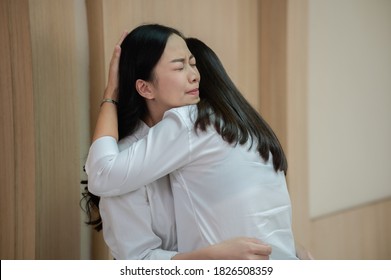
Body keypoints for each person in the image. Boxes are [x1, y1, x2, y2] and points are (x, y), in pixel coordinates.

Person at [85, 23, 298, 259]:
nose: (195, 76)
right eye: (179, 66)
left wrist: (287, 253)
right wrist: (111, 95)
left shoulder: (204, 134)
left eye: (193, 63)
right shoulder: (128, 158)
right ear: (145, 88)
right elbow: (137, 262)